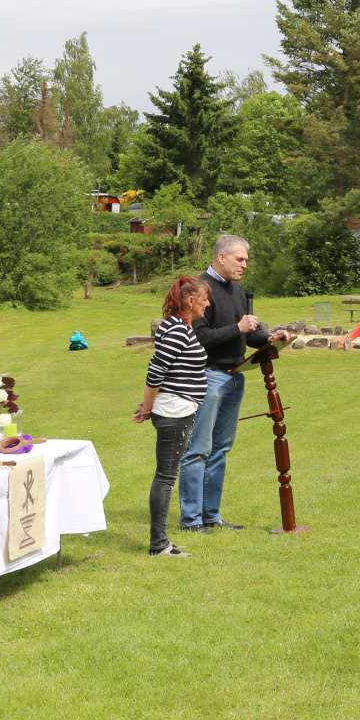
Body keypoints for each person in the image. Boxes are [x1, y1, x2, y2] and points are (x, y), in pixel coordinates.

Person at [178, 234, 289, 532]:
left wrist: (268, 337)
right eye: (240, 259)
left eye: (246, 261)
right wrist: (237, 327)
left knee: (220, 450)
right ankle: (191, 520)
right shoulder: (199, 289)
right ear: (221, 257)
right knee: (198, 449)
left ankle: (211, 516)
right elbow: (198, 338)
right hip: (208, 377)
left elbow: (246, 334)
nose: (244, 265)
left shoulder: (237, 291)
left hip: (234, 377)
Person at [133, 276, 210, 557]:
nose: (207, 304)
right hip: (174, 413)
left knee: (166, 476)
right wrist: (147, 406)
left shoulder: (178, 327)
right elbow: (156, 371)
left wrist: (148, 405)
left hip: (176, 409)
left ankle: (160, 542)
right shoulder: (178, 330)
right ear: (191, 301)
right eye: (204, 299)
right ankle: (159, 544)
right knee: (165, 477)